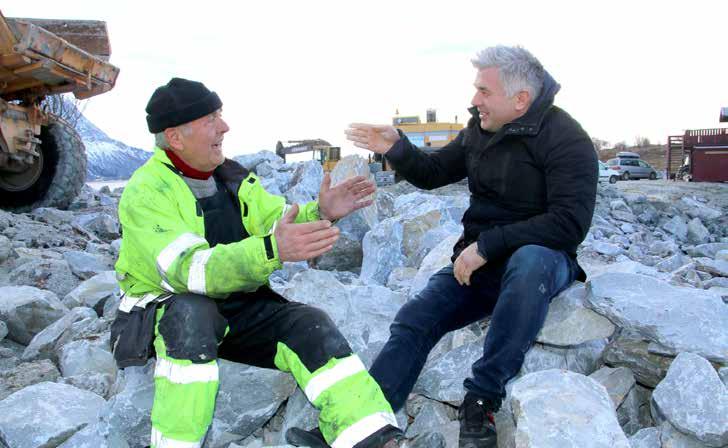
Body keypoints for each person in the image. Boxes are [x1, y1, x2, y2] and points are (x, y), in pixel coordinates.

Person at [111, 78, 406, 448]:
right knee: (193, 315)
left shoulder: (230, 176)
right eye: (210, 118)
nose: (225, 126)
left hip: (233, 308)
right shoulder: (146, 191)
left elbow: (276, 223)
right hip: (166, 314)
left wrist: (322, 212)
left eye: (220, 114)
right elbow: (191, 270)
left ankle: (372, 437)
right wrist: (271, 250)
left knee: (309, 323)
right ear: (174, 137)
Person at [345, 46, 597, 448]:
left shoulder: (567, 138)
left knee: (530, 260)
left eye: (484, 91)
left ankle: (482, 399)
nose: (474, 100)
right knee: (415, 316)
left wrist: (488, 245)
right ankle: (367, 425)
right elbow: (433, 172)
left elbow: (569, 224)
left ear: (520, 100)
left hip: (544, 260)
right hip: (484, 263)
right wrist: (397, 148)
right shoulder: (479, 130)